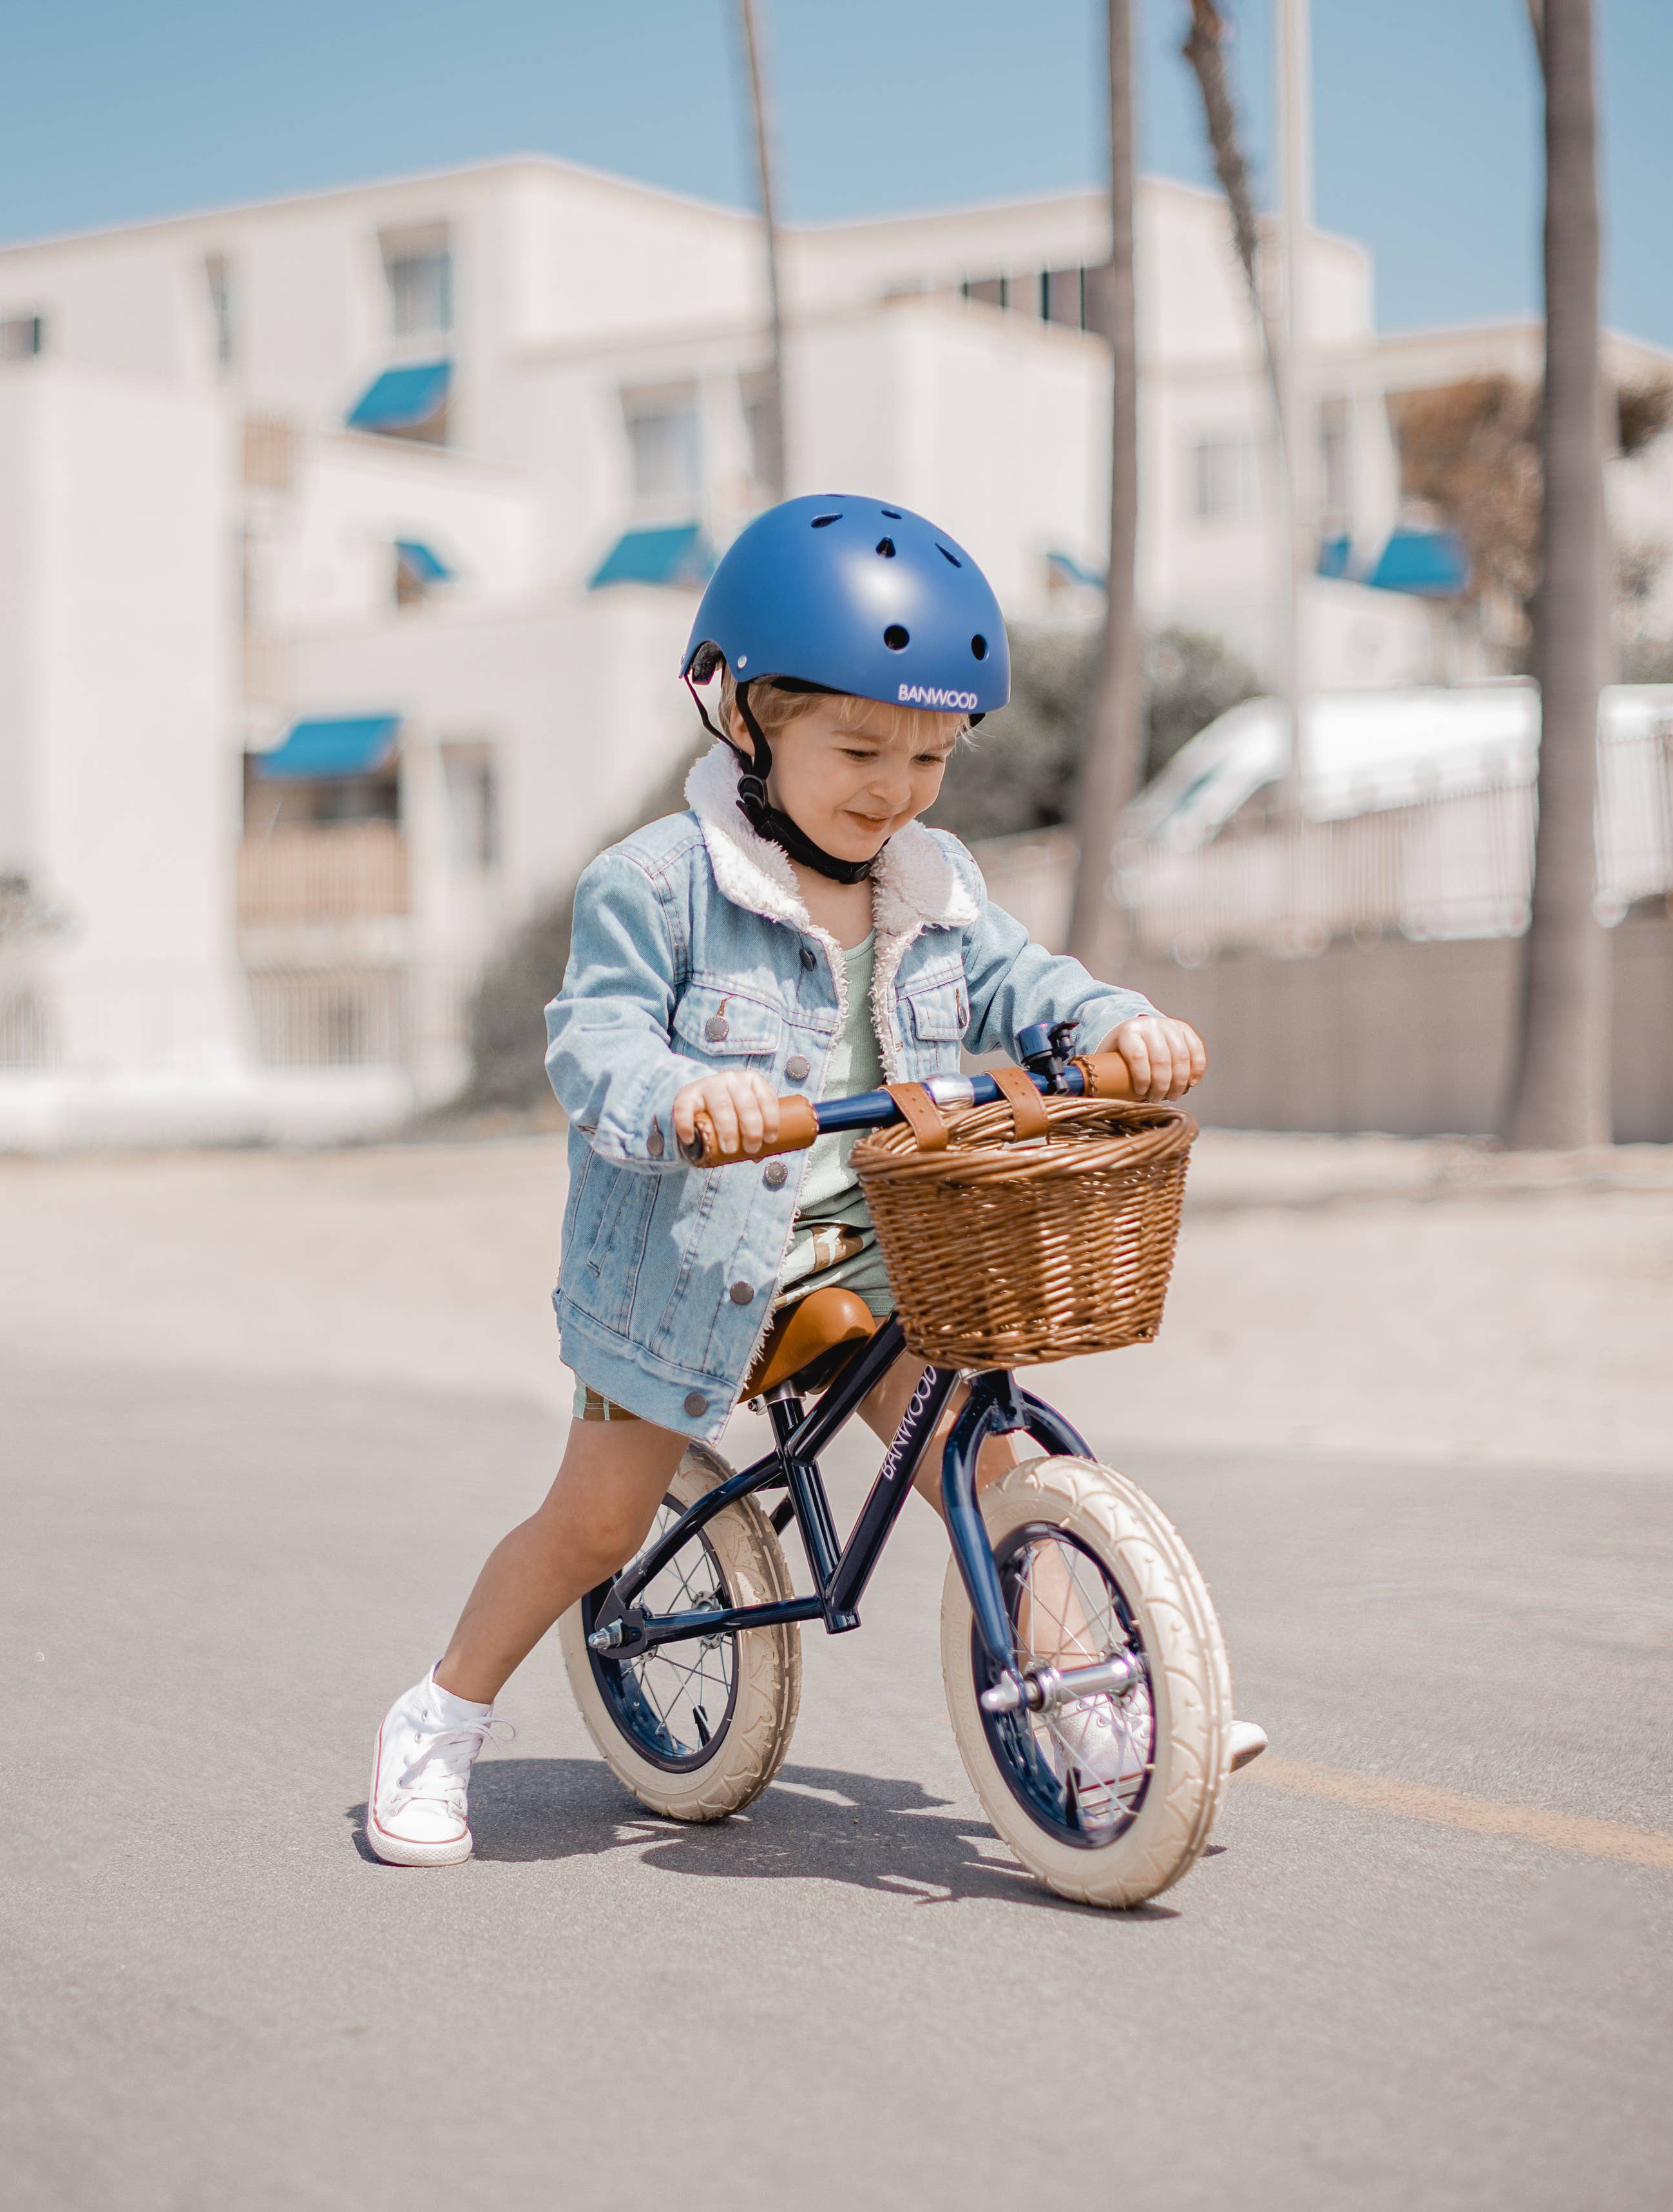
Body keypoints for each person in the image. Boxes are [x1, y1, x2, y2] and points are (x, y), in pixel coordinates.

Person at [367, 493, 1261, 1865]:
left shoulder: (932, 877)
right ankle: (438, 1719)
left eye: (927, 754)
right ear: (741, 714)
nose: (891, 787)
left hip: (874, 1249)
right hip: (683, 1266)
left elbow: (1024, 980)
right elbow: (593, 1042)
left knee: (990, 1447)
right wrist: (687, 1094)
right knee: (597, 1519)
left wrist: (1107, 1024)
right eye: (855, 746)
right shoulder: (656, 886)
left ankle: (1098, 1702)